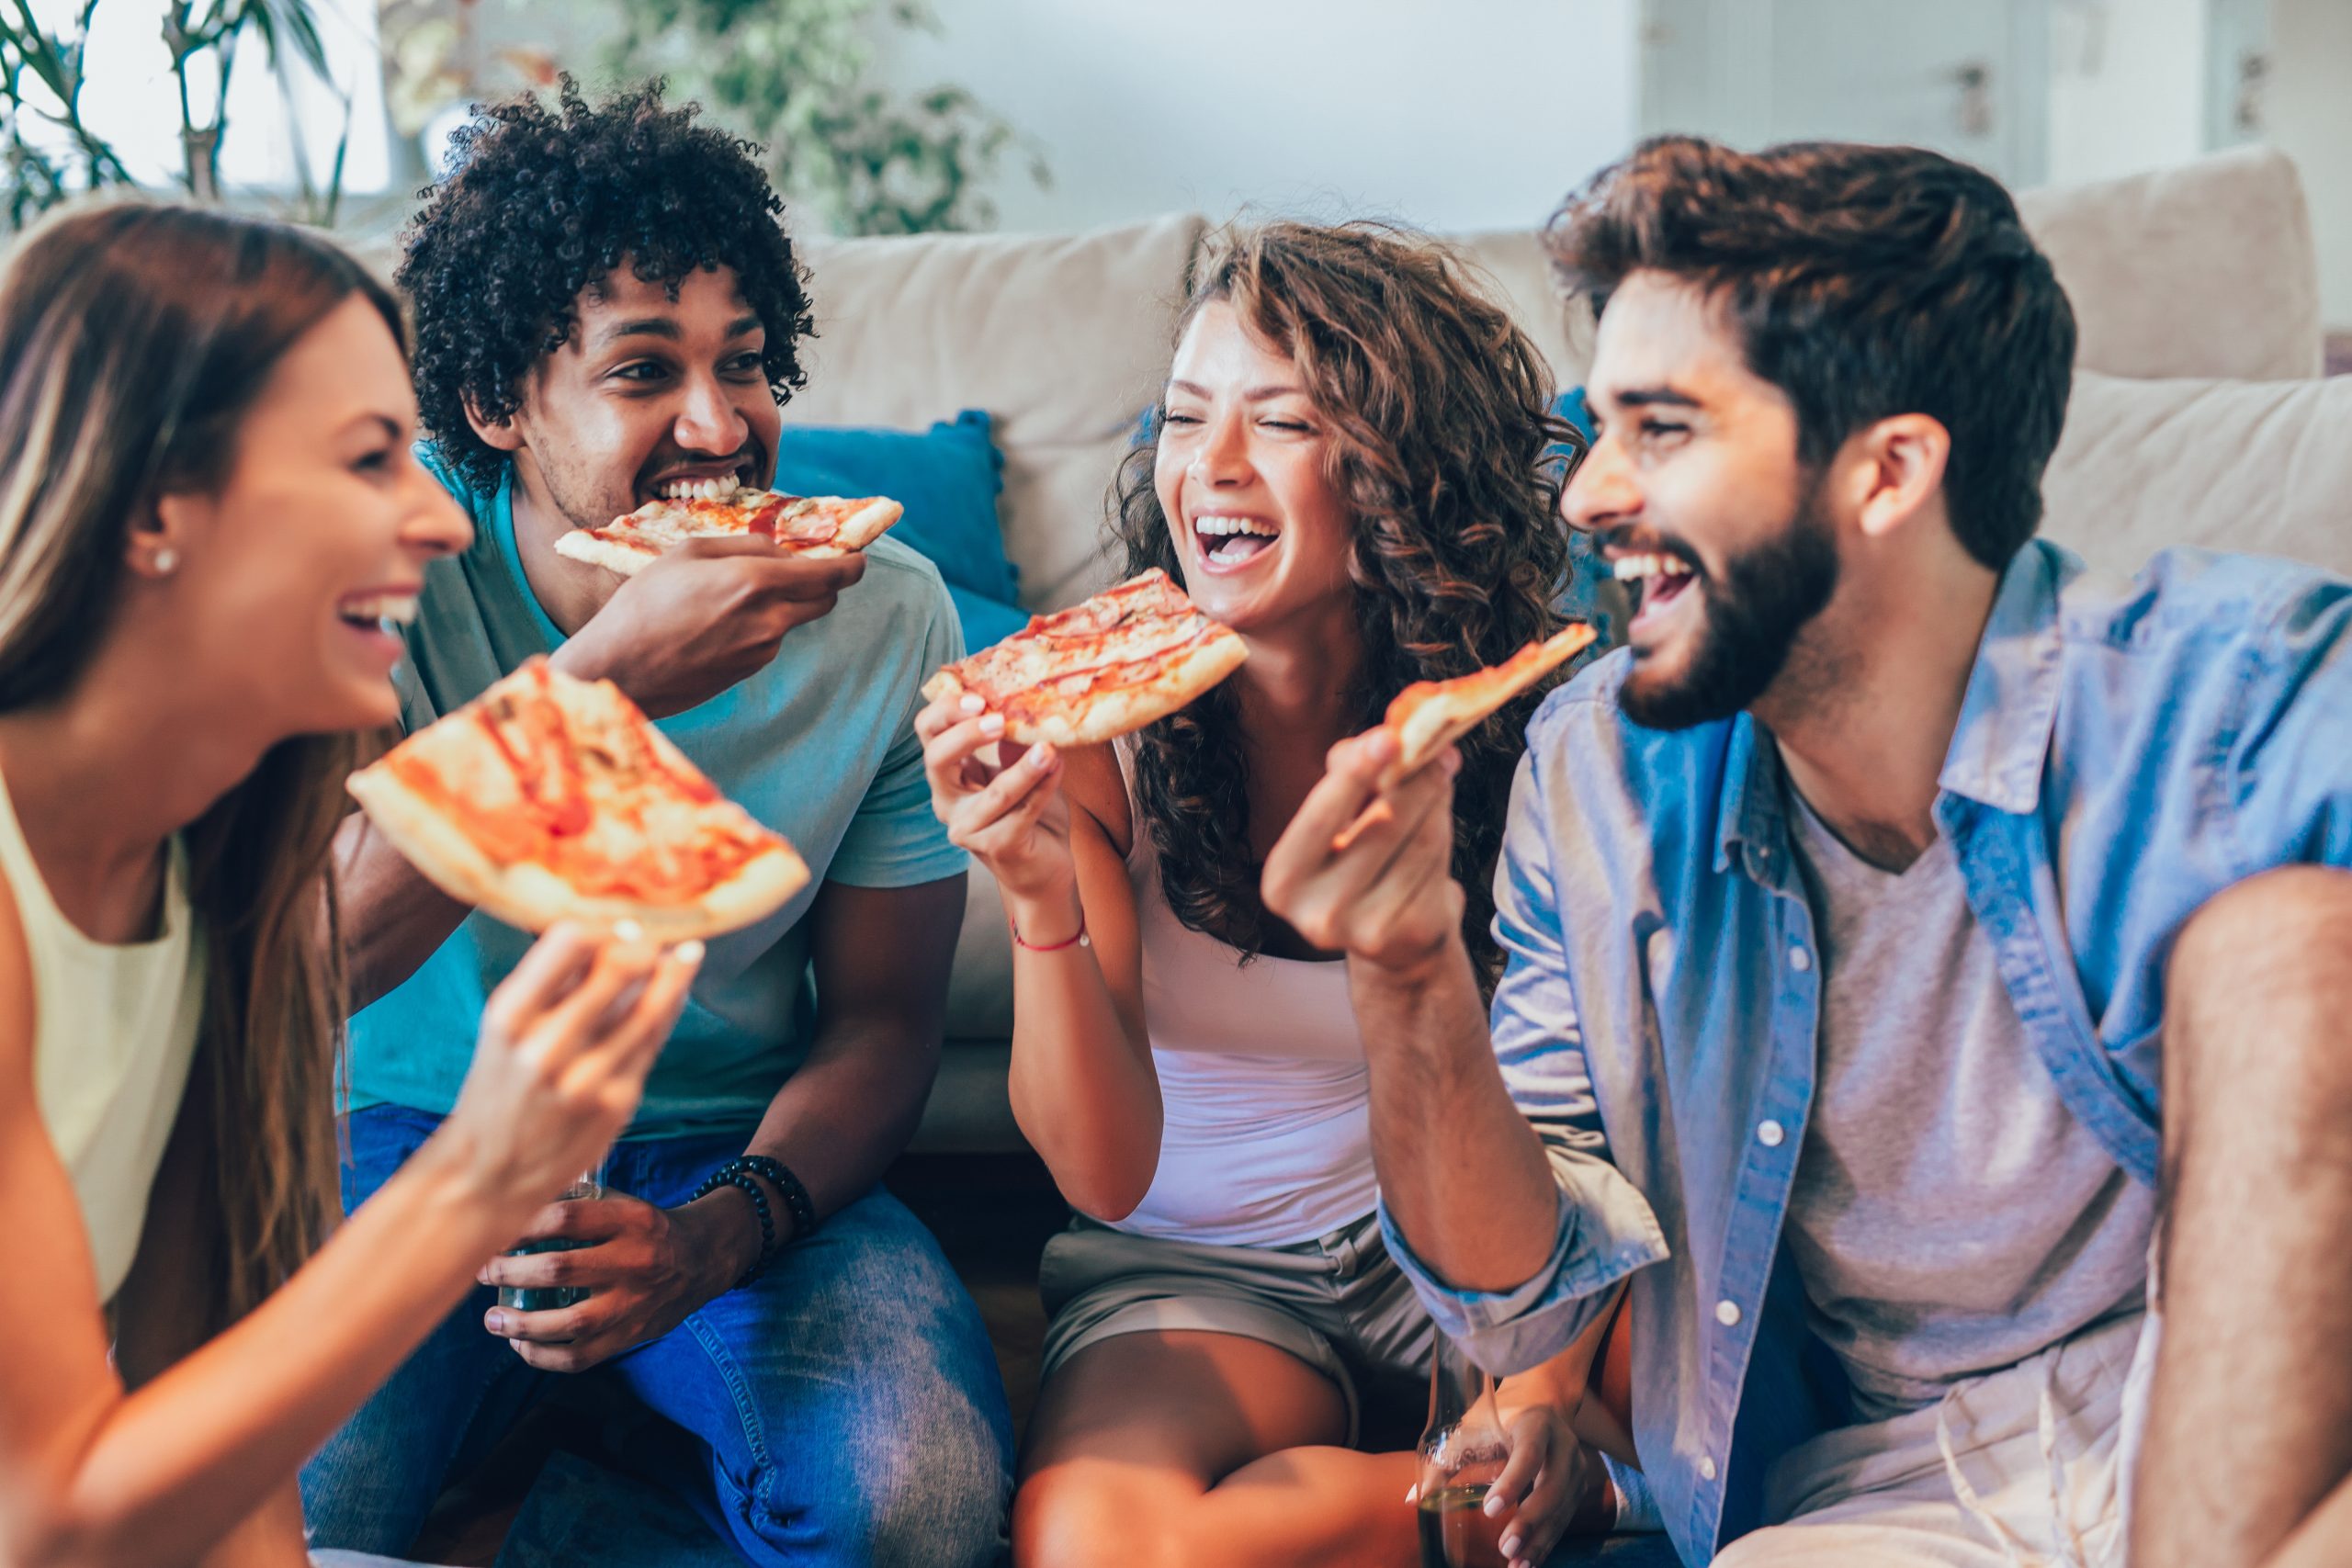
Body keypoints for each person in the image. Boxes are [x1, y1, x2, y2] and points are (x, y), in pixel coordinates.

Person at [1261, 135, 2352, 1565]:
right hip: (1901, 1488)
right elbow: (1516, 1310)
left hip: (2259, 1427)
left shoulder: (2243, 700)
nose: (1586, 496)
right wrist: (1406, 973)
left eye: (1660, 430)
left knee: (2289, 957)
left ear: (1888, 472)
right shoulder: (1597, 776)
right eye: (1596, 431)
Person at [298, 83, 1013, 1568]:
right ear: (501, 404)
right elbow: (314, 961)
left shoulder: (885, 615)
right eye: (643, 372)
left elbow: (881, 1026)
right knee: (286, 1508)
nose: (718, 426)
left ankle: (575, 1475)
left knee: (920, 1506)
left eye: (744, 367)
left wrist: (716, 1242)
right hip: (399, 1140)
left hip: (720, 1148)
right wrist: (597, 682)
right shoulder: (388, 572)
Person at [0, 201, 698, 1568]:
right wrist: (484, 1175)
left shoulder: (202, 876)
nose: (443, 519)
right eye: (370, 458)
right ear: (154, 506)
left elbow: (206, 1409)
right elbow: (54, 1518)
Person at [920, 220, 1624, 1568]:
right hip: (1203, 1273)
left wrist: (1537, 1383)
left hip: (1492, 1244)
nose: (1210, 471)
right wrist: (1036, 890)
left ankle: (1516, 1483)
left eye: (1281, 422)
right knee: (1098, 1551)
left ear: (1402, 471)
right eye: (1184, 421)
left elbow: (1607, 1108)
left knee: (1749, 1418)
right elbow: (1103, 1171)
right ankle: (1490, 1512)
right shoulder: (1086, 724)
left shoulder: (1533, 719)